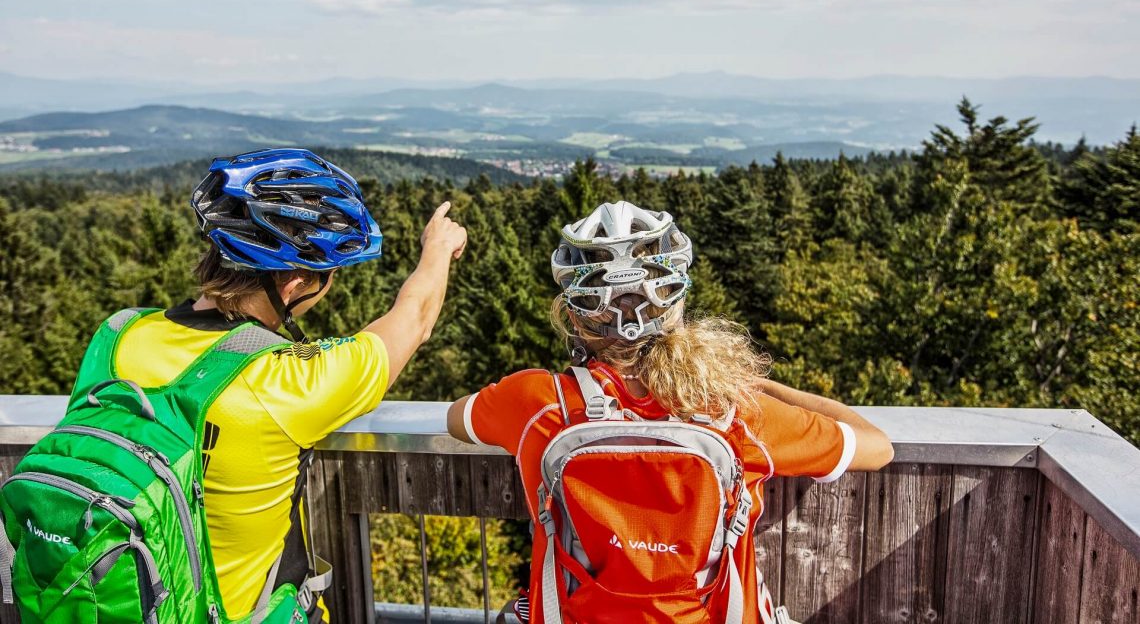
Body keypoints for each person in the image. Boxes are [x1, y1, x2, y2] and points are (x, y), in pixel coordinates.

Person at [446, 201, 893, 624]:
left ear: (576, 317)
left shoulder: (538, 403)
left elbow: (458, 417)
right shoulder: (734, 413)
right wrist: (758, 386)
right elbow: (878, 448)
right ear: (674, 303)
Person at [119, 148, 466, 621]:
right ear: (295, 283)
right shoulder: (290, 380)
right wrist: (438, 248)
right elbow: (415, 319)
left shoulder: (118, 335)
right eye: (327, 277)